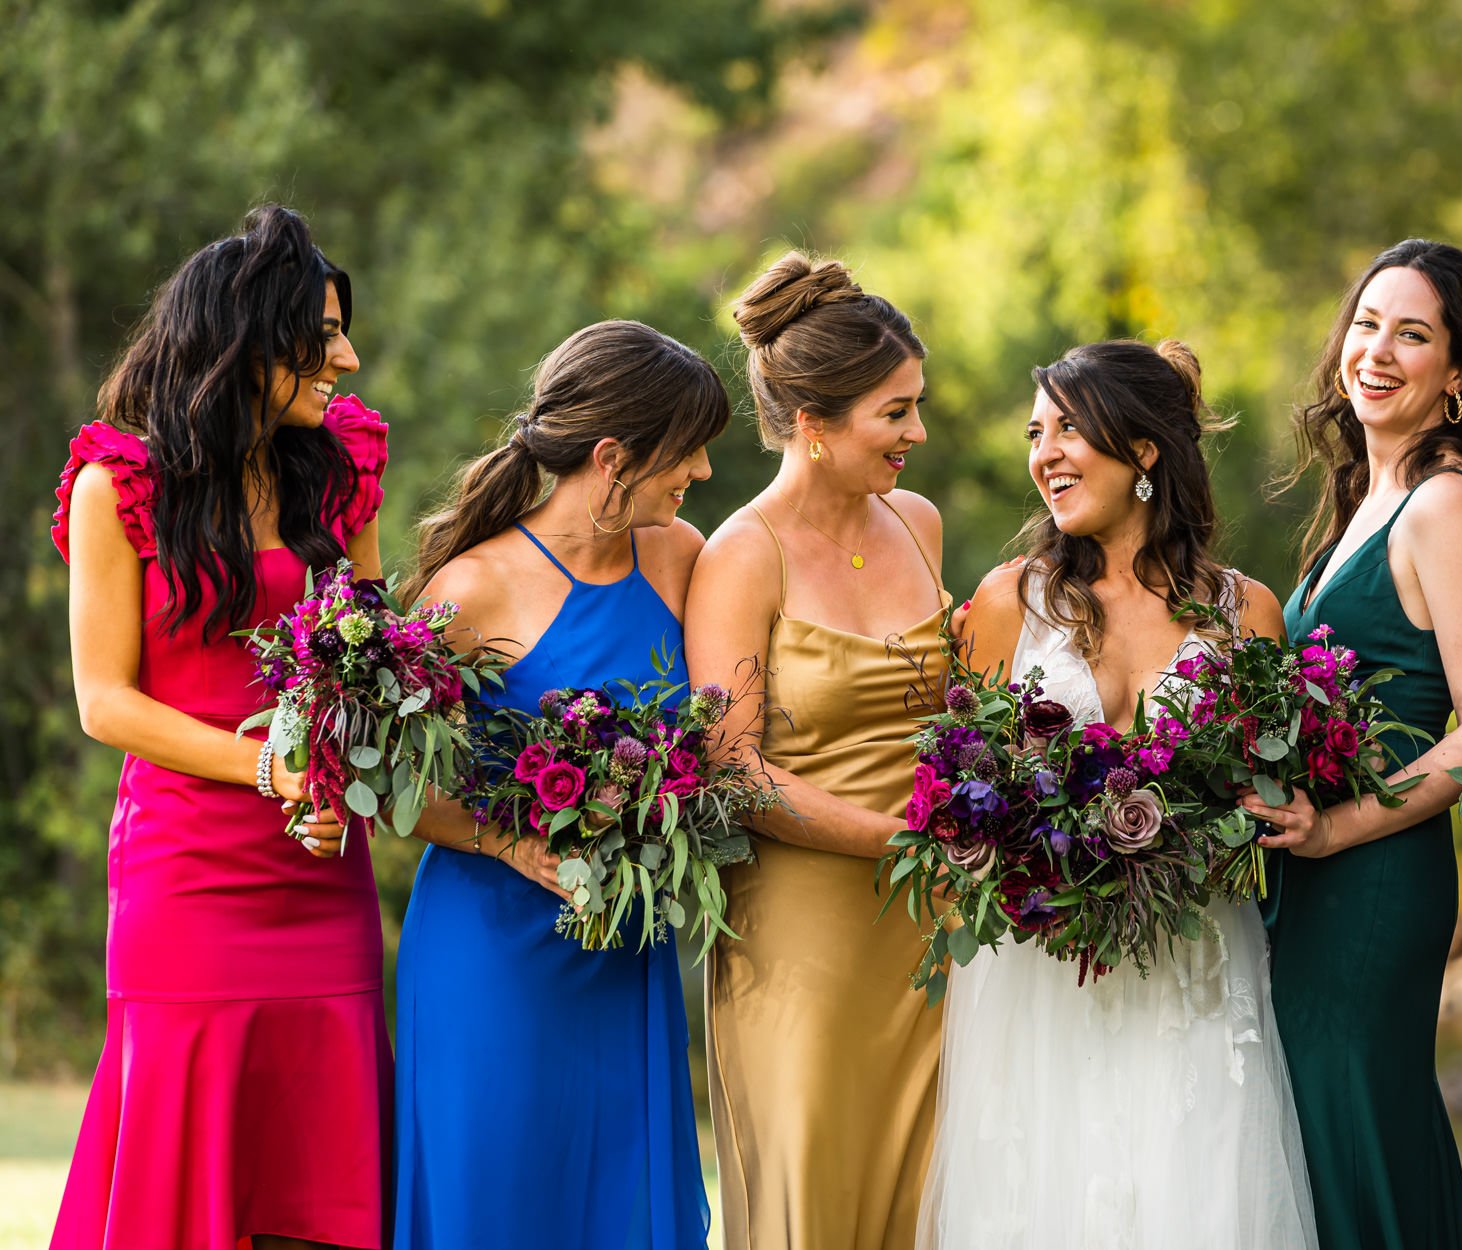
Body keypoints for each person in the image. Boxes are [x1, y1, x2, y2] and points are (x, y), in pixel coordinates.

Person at [923, 338, 1314, 1248]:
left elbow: (1263, 783)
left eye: (1070, 429)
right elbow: (960, 786)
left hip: (1195, 958)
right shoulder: (1004, 603)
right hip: (1040, 971)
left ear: (1144, 451)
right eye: (1036, 432)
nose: (1045, 453)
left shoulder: (1243, 611)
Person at [50, 205, 389, 1250]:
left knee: (317, 1169)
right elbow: (104, 699)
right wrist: (275, 766)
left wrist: (336, 774)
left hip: (319, 860)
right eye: (322, 334)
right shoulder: (122, 484)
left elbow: (369, 663)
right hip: (184, 873)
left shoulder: (339, 469)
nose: (348, 355)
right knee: (186, 1167)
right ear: (249, 341)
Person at [378, 320, 726, 1249]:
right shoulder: (474, 586)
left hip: (622, 949)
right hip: (490, 950)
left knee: (622, 1203)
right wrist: (517, 846)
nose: (696, 472)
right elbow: (395, 787)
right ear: (615, 456)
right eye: (684, 452)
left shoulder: (682, 558)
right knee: (495, 1202)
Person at [1239, 238, 1462, 1249]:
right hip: (1316, 871)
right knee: (1321, 1139)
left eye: (1410, 333)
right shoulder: (1360, 503)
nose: (1374, 349)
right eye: (1365, 323)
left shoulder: (1443, 501)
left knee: (1358, 1128)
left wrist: (1334, 830)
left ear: (1456, 374)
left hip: (1371, 879)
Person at [686, 252, 947, 1250]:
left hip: (928, 917)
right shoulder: (740, 556)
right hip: (802, 926)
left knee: (925, 1186)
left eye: (914, 406)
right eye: (894, 412)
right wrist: (903, 839)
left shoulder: (917, 523)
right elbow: (731, 771)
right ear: (811, 423)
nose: (915, 433)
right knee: (812, 1182)